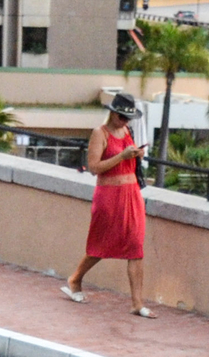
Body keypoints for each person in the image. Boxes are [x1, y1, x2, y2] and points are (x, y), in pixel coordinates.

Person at [60, 93, 152, 318]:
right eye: (122, 117)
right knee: (101, 244)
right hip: (109, 195)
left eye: (128, 118)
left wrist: (136, 154)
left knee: (135, 246)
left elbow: (128, 160)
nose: (125, 122)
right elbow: (94, 167)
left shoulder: (127, 132)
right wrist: (122, 156)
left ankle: (137, 303)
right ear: (113, 113)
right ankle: (75, 279)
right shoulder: (99, 133)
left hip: (131, 194)